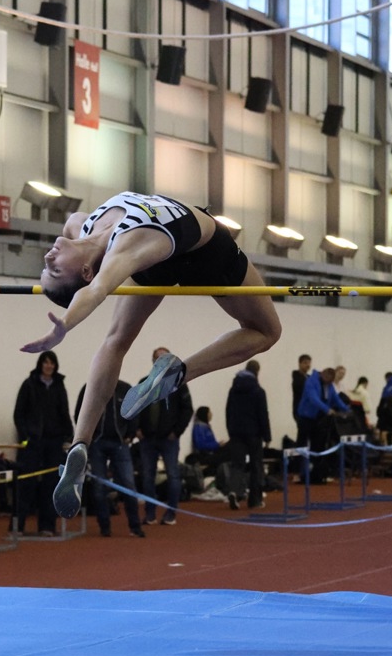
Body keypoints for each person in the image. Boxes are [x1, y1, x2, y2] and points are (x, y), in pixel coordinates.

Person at [22, 191, 282, 520]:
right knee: (267, 331)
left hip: (158, 258)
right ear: (87, 271)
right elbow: (97, 290)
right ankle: (179, 372)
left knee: (115, 341)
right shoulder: (120, 254)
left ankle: (80, 445)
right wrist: (66, 326)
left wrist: (68, 288)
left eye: (47, 268)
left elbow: (87, 267)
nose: (47, 260)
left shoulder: (79, 225)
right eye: (55, 271)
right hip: (205, 250)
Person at [12, 350, 74, 536]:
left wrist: (68, 437)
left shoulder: (59, 386)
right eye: (46, 362)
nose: (49, 366)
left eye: (52, 363)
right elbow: (19, 413)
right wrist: (25, 436)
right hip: (33, 442)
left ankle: (47, 525)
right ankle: (17, 525)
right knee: (26, 483)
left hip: (54, 442)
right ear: (40, 364)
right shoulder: (29, 384)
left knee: (51, 484)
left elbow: (65, 412)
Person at [74, 381, 145, 539]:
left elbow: (135, 412)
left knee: (129, 485)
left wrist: (130, 435)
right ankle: (104, 526)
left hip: (120, 443)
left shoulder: (126, 389)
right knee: (99, 487)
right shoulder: (89, 388)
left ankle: (135, 526)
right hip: (97, 443)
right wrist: (86, 435)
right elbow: (79, 413)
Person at [135, 345, 193, 525]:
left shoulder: (179, 383)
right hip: (147, 439)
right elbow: (135, 407)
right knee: (147, 477)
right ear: (153, 362)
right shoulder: (144, 382)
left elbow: (187, 410)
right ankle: (150, 514)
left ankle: (171, 513)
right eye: (157, 359)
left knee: (173, 475)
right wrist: (136, 429)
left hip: (169, 439)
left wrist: (177, 432)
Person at [225, 359, 271, 509]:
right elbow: (263, 415)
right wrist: (267, 436)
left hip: (236, 432)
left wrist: (230, 429)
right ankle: (255, 500)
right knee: (256, 465)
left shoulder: (233, 389)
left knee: (237, 464)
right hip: (254, 433)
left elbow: (228, 410)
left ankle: (233, 491)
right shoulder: (259, 391)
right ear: (257, 372)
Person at [297, 366, 348, 483]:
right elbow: (313, 398)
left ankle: (316, 473)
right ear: (325, 375)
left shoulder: (328, 385)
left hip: (318, 419)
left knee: (318, 445)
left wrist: (346, 409)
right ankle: (301, 473)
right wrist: (327, 409)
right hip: (306, 418)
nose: (330, 383)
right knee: (302, 445)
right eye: (329, 381)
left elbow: (335, 398)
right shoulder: (311, 382)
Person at [292, 354, 313, 446]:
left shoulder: (309, 378)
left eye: (309, 363)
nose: (308, 365)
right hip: (300, 411)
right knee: (302, 436)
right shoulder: (297, 378)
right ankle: (299, 458)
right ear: (299, 364)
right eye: (305, 363)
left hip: (310, 411)